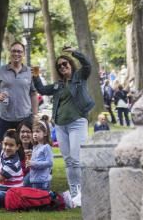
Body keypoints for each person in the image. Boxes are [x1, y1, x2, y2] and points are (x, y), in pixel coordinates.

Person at [32, 46, 94, 207]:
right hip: (60, 125)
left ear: (71, 64)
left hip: (77, 123)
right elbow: (42, 90)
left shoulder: (80, 77)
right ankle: (75, 195)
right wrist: (36, 76)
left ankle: (83, 193)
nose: (62, 67)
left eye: (65, 64)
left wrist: (74, 52)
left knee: (76, 159)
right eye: (59, 66)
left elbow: (87, 65)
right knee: (68, 161)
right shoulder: (58, 85)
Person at [0, 41, 38, 143]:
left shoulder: (29, 72)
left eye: (19, 51)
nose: (16, 54)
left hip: (24, 118)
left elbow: (33, 94)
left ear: (23, 54)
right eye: (14, 51)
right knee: (1, 149)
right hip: (3, 118)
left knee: (25, 149)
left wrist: (35, 115)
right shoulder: (0, 71)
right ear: (10, 53)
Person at [24, 119, 53, 190]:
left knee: (41, 199)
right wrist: (29, 160)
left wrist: (33, 163)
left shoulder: (46, 147)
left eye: (37, 131)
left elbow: (49, 163)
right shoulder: (35, 147)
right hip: (34, 179)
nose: (35, 134)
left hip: (42, 181)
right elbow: (37, 159)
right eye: (33, 131)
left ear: (45, 133)